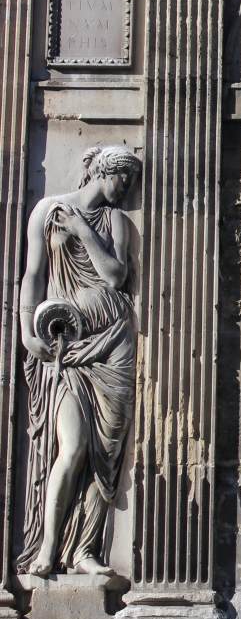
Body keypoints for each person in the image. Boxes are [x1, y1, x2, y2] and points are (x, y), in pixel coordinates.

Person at [18, 146, 141, 579]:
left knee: (106, 456)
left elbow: (115, 276)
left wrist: (83, 230)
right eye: (122, 177)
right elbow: (32, 275)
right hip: (68, 345)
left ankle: (86, 549)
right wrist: (25, 332)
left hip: (115, 345)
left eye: (132, 181)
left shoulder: (116, 222)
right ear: (102, 171)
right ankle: (48, 549)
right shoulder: (47, 211)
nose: (127, 188)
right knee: (71, 447)